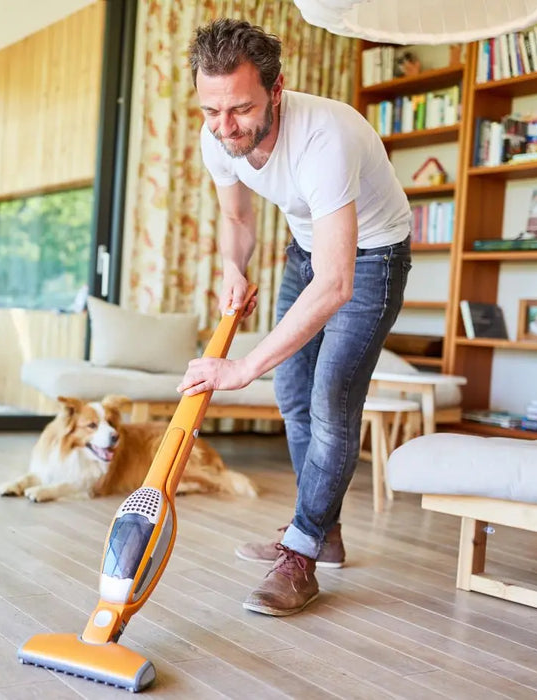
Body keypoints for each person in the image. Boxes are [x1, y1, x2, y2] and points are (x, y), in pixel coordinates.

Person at [179, 18, 411, 617]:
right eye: (211, 110)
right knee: (293, 389)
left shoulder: (325, 136)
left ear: (276, 91)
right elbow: (236, 219)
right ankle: (322, 530)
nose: (225, 127)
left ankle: (302, 554)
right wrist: (234, 267)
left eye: (241, 109)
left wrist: (241, 367)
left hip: (373, 255)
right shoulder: (219, 134)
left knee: (332, 398)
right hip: (305, 249)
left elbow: (337, 283)